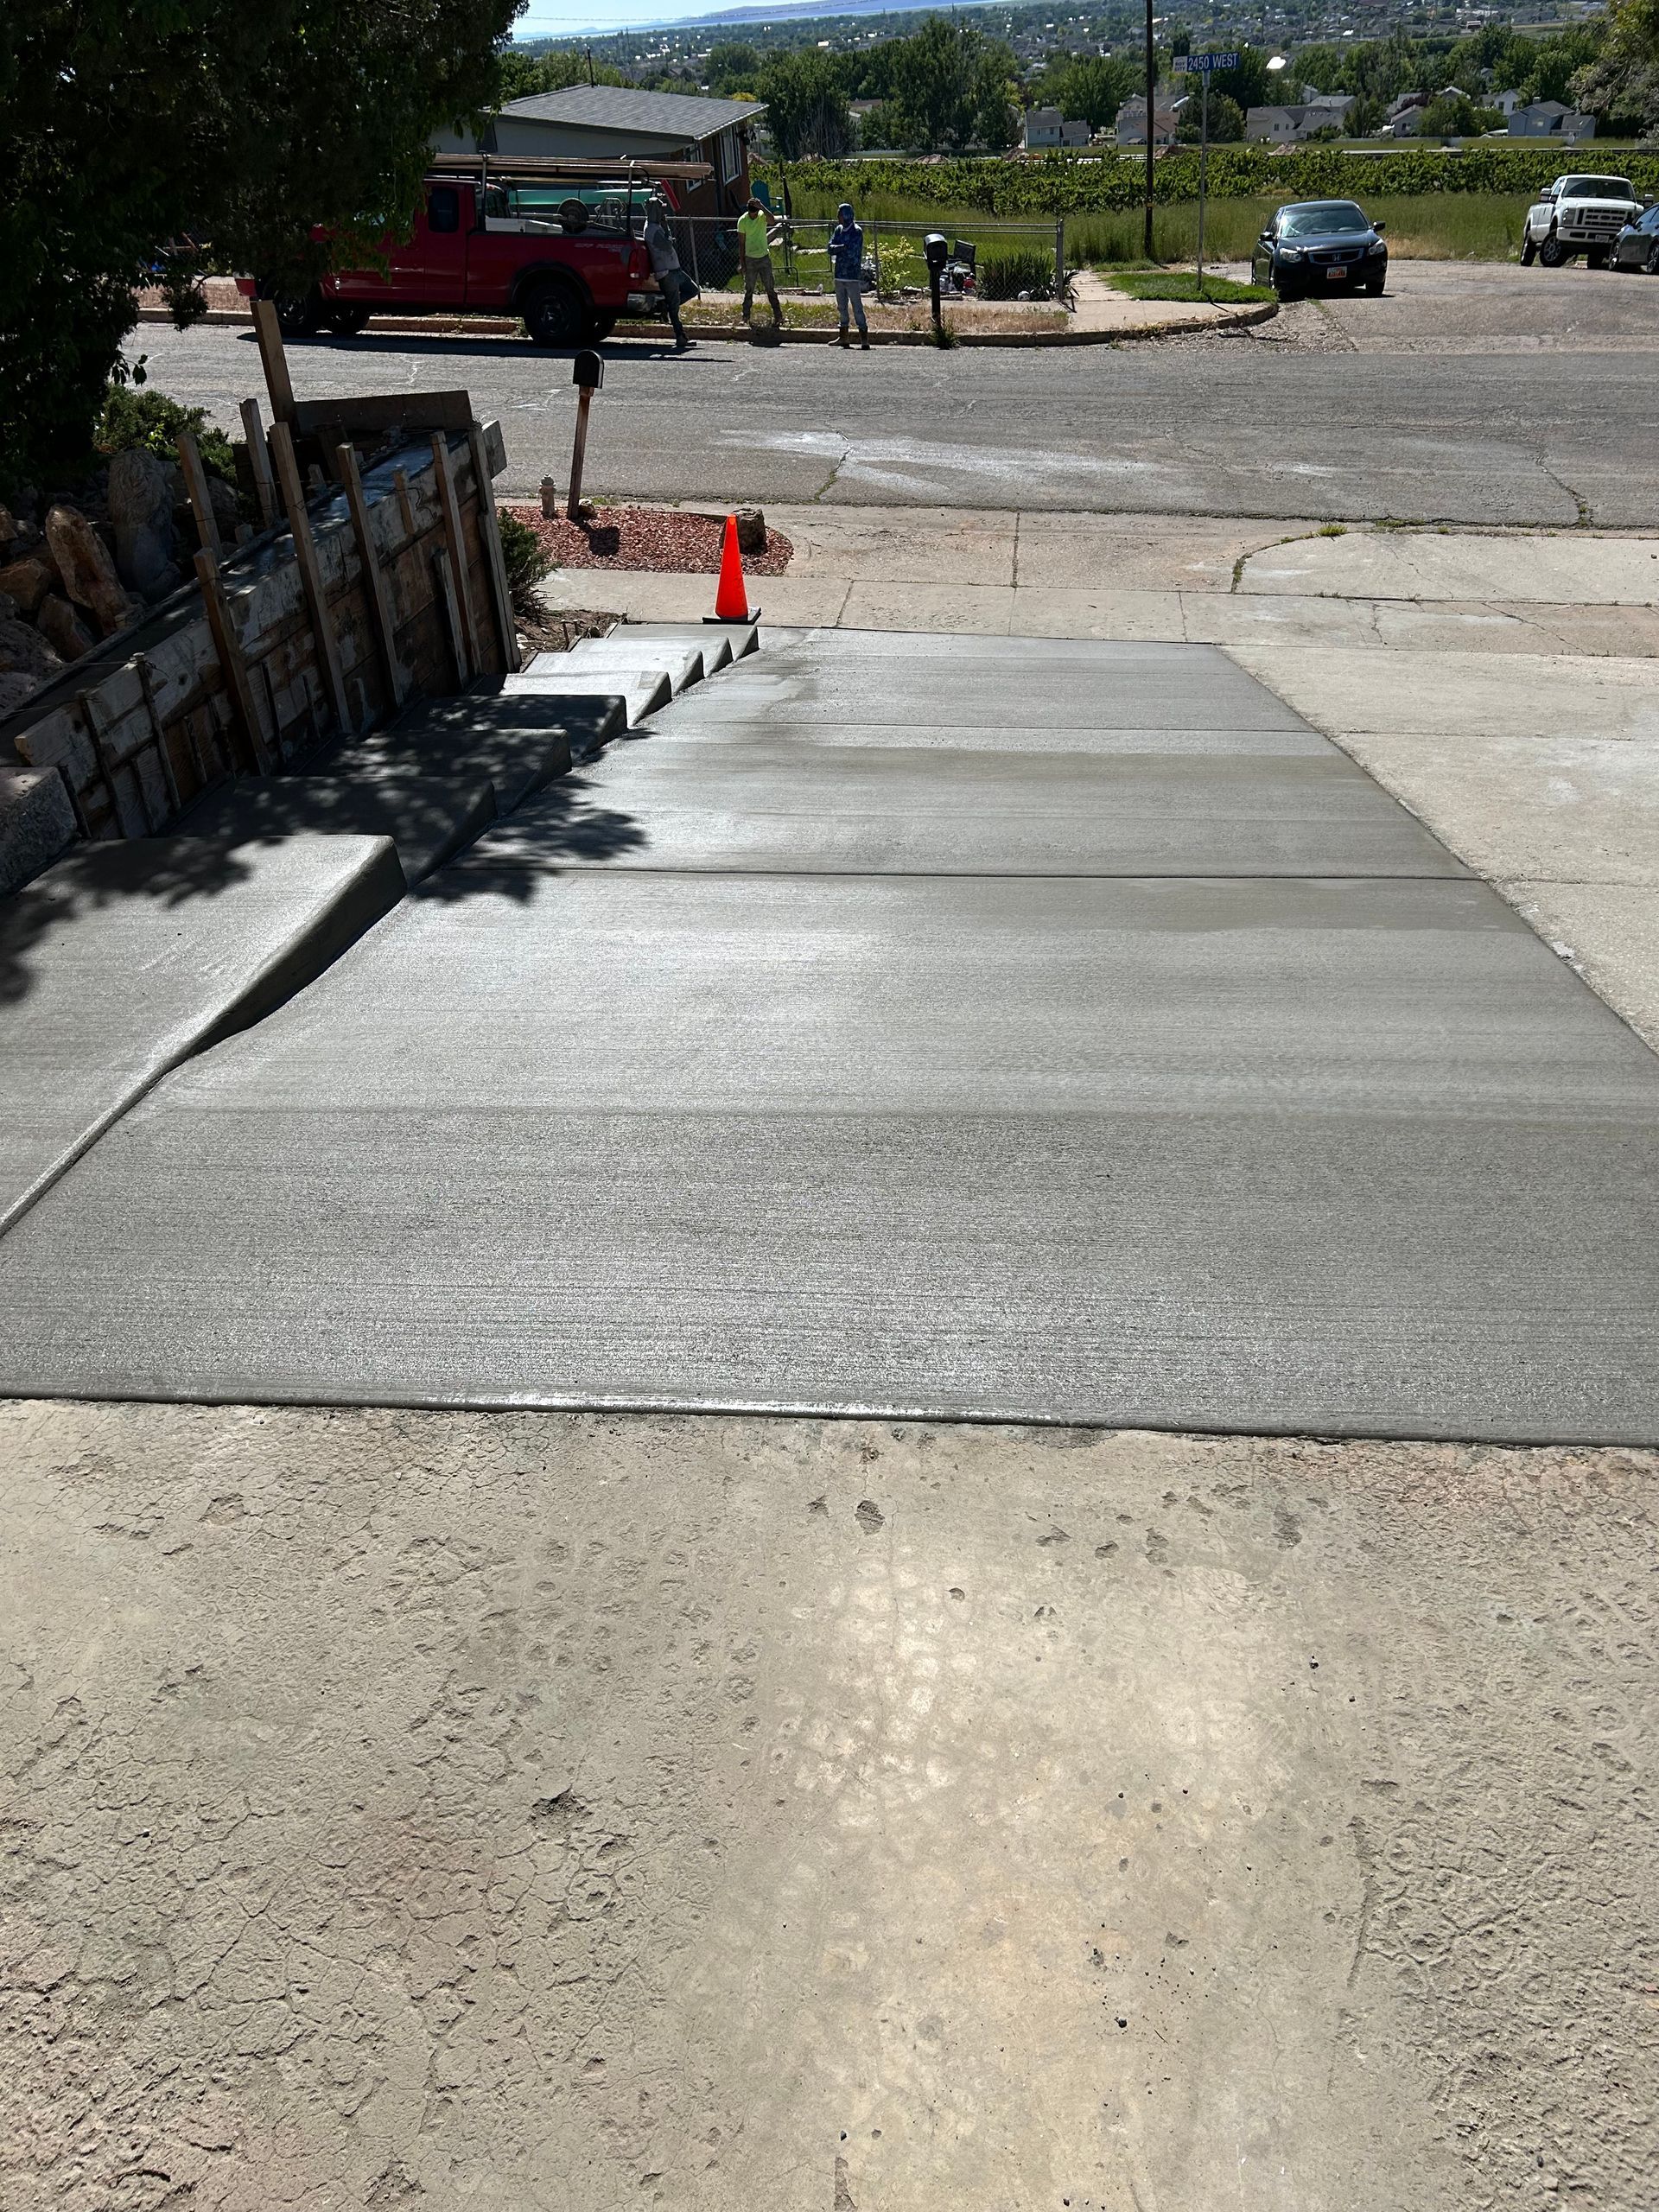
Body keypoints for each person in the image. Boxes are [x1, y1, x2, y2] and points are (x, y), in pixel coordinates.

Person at [643, 195, 692, 353]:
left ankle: (666, 306)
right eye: (660, 210)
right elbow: (668, 244)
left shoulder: (657, 227)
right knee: (675, 307)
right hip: (666, 272)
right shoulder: (651, 230)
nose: (663, 213)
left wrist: (665, 227)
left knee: (693, 290)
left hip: (675, 269)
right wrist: (666, 227)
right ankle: (680, 336)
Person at [737, 196, 785, 330]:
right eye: (753, 213)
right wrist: (743, 263)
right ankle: (745, 317)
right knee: (749, 289)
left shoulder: (762, 215)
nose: (755, 215)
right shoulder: (742, 221)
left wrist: (762, 207)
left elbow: (773, 221)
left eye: (756, 212)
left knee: (770, 288)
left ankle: (778, 316)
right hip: (750, 258)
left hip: (764, 258)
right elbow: (741, 243)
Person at [830, 202, 870, 351]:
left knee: (857, 307)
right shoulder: (839, 230)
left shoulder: (856, 231)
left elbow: (853, 252)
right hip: (839, 274)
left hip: (852, 276)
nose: (838, 217)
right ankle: (843, 337)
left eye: (840, 214)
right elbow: (830, 247)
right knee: (842, 307)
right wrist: (841, 248)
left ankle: (864, 338)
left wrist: (839, 249)